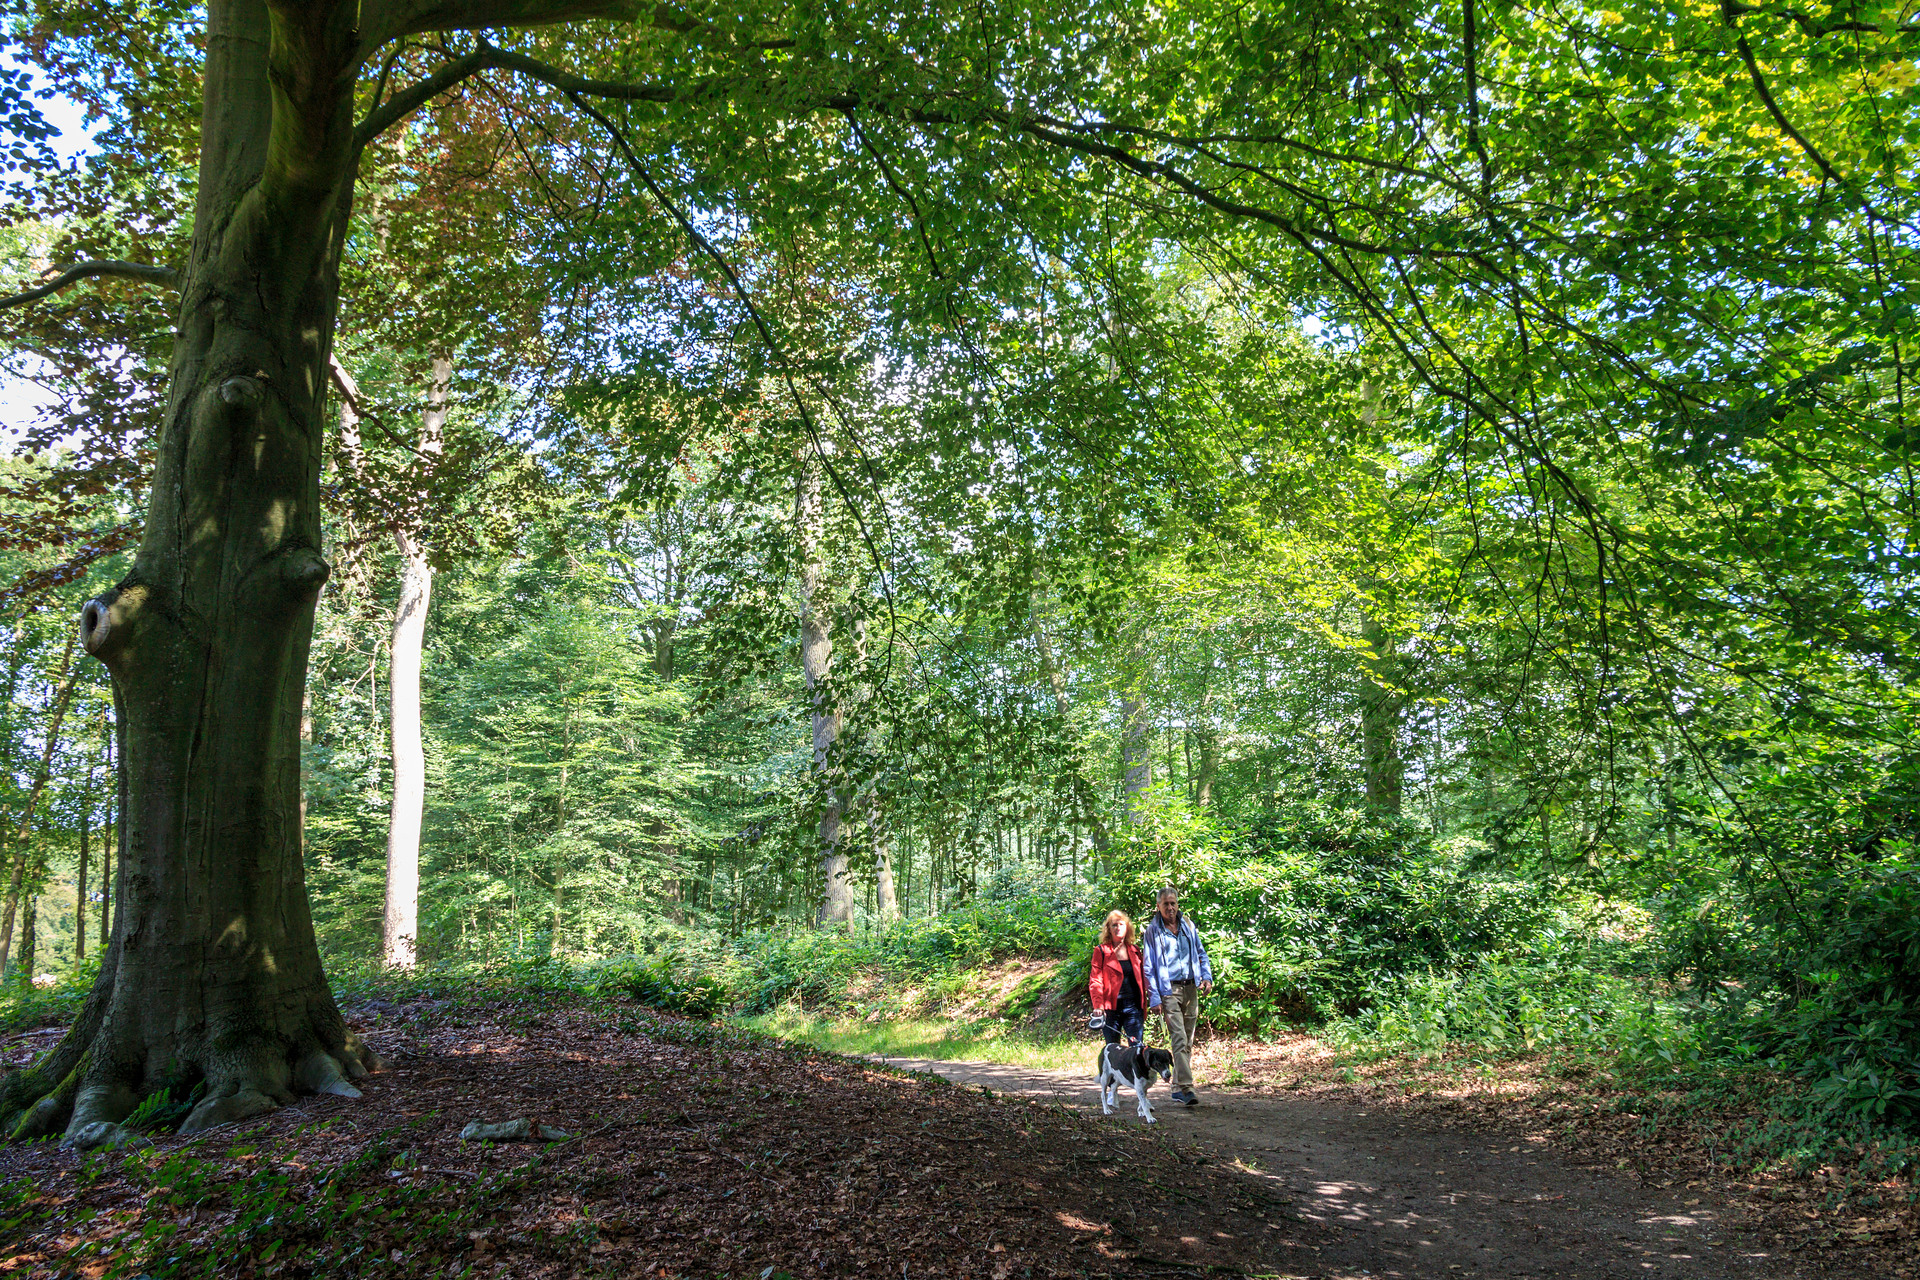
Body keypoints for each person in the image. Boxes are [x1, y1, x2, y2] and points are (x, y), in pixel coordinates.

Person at [1142, 885, 1212, 1106]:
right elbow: (1148, 966)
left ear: (1177, 904)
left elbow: (1201, 952)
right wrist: (1154, 997)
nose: (1170, 908)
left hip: (1191, 987)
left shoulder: (1187, 925)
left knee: (1187, 1041)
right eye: (1166, 904)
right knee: (1179, 1039)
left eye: (1173, 903)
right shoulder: (1153, 931)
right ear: (1158, 906)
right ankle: (1187, 1088)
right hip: (1169, 990)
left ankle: (1176, 1087)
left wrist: (1206, 976)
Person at [1087, 909, 1148, 1050]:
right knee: (1113, 1050)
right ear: (1108, 929)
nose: (1118, 928)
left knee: (1137, 1049)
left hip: (1133, 1008)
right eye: (1114, 925)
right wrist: (1098, 1006)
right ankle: (1112, 1073)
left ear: (1127, 928)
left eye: (1121, 924)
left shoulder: (1135, 950)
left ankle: (1135, 1073)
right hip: (1111, 1009)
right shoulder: (1101, 951)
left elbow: (1144, 978)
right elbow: (1095, 980)